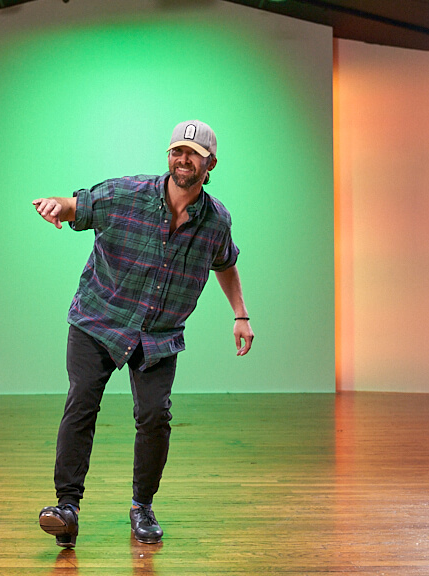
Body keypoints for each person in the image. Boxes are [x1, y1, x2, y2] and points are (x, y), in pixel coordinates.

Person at [31, 120, 254, 548]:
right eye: (176, 151)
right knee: (81, 404)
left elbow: (224, 263)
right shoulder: (125, 194)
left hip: (158, 334)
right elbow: (76, 204)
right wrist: (54, 206)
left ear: (210, 163)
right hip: (98, 320)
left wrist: (240, 315)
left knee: (155, 417)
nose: (182, 159)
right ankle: (66, 507)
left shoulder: (216, 221)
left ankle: (142, 506)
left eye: (192, 153)